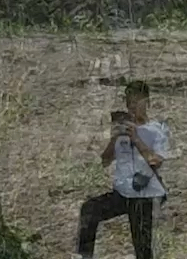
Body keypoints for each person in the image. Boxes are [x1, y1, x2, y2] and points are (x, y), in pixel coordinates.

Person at [73, 80, 170, 259]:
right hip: (122, 192)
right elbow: (105, 160)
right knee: (89, 210)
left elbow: (156, 161)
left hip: (144, 195)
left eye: (137, 102)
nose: (132, 107)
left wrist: (136, 139)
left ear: (147, 102)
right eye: (129, 102)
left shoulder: (157, 130)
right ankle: (84, 256)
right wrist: (115, 138)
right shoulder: (122, 129)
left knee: (142, 248)